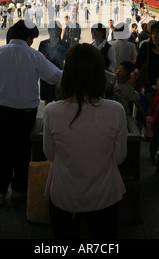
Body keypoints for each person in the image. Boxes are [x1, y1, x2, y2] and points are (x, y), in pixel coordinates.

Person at [43, 43, 128, 239]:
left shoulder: (52, 111)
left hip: (64, 195)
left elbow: (50, 155)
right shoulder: (115, 110)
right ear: (100, 73)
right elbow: (119, 157)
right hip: (104, 196)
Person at [0, 19, 63, 206]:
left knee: (2, 152)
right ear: (27, 37)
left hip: (2, 112)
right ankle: (18, 190)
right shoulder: (34, 56)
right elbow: (54, 76)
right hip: (25, 113)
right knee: (22, 151)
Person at [38, 21, 69, 105]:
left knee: (60, 100)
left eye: (55, 31)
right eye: (51, 31)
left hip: (59, 76)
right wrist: (45, 58)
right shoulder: (43, 44)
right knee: (47, 100)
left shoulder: (65, 44)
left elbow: (68, 59)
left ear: (59, 32)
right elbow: (38, 60)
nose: (53, 33)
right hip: (46, 76)